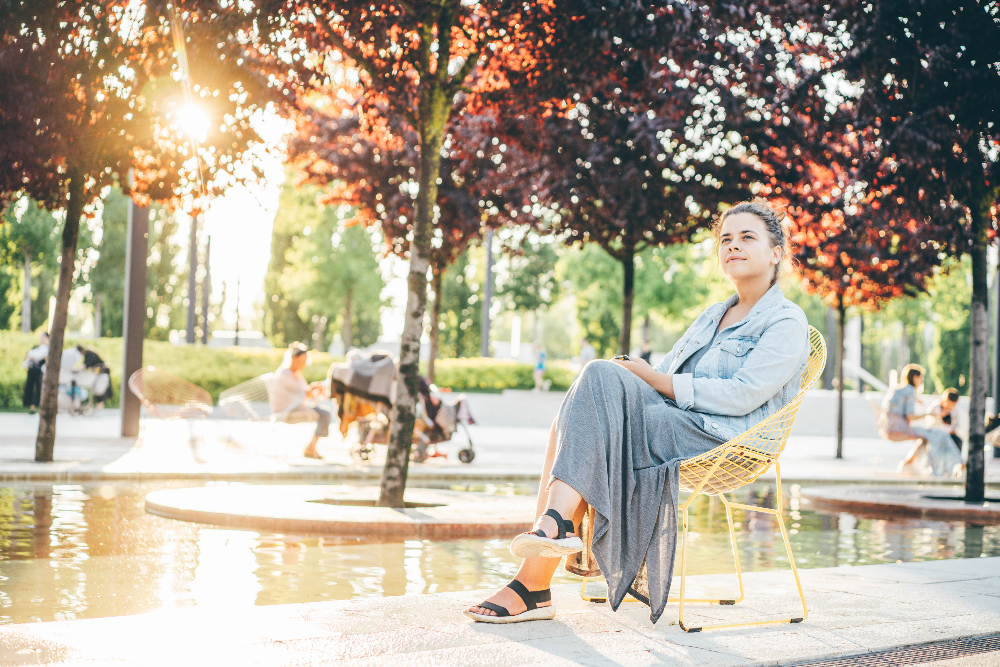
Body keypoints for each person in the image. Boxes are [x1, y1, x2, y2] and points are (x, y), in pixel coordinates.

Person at [465, 199, 810, 624]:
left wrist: (652, 380)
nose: (732, 246)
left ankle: (539, 566)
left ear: (776, 252)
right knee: (587, 395)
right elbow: (662, 376)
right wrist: (636, 376)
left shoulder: (786, 321)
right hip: (672, 423)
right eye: (725, 239)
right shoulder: (712, 315)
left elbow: (741, 395)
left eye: (746, 238)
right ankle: (548, 543)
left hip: (723, 437)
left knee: (589, 412)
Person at [882, 365, 962, 476]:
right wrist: (929, 414)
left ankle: (908, 463)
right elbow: (910, 416)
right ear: (915, 377)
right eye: (921, 378)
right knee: (935, 435)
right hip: (899, 428)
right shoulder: (910, 391)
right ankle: (937, 470)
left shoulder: (898, 388)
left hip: (888, 427)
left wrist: (916, 399)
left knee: (927, 437)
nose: (922, 381)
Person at [270, 343, 332, 459]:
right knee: (324, 415)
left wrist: (313, 390)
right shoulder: (284, 375)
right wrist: (311, 391)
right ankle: (310, 448)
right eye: (302, 361)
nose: (304, 365)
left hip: (297, 408)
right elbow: (299, 396)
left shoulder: (295, 374)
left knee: (325, 414)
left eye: (305, 362)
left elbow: (301, 395)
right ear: (293, 359)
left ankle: (311, 447)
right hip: (287, 411)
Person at [927, 388, 963, 453]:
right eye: (948, 403)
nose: (949, 407)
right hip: (935, 434)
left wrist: (953, 430)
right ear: (943, 400)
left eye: (952, 405)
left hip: (949, 435)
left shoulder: (955, 411)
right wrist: (939, 416)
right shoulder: (935, 407)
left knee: (958, 442)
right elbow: (929, 423)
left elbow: (958, 426)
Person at [21, 332, 49, 414]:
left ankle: (39, 406)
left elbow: (44, 358)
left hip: (40, 371)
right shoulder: (36, 348)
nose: (41, 339)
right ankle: (32, 406)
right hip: (32, 370)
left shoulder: (47, 349)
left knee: (39, 388)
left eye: (43, 337)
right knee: (30, 388)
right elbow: (28, 356)